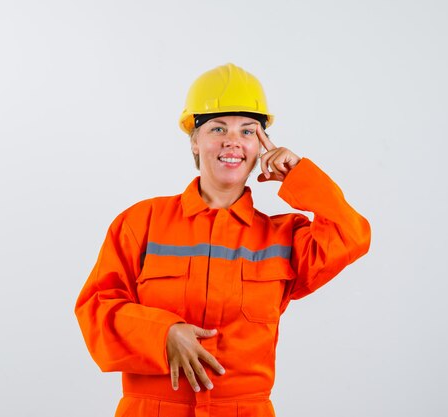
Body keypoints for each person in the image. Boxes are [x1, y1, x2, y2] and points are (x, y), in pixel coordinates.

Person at [75, 63, 371, 417]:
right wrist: (162, 334)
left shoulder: (283, 237)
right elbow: (95, 308)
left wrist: (299, 175)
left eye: (248, 131)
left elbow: (351, 234)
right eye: (218, 128)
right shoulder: (141, 223)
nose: (233, 141)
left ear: (261, 145)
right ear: (195, 141)